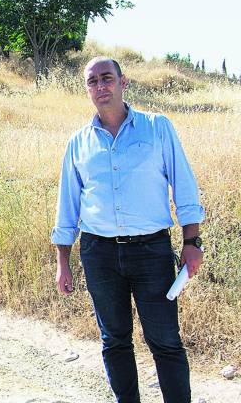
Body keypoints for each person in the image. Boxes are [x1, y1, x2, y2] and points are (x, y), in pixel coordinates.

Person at [51, 56, 204, 403]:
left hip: (151, 252)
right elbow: (68, 206)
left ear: (123, 82)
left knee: (165, 340)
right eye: (93, 81)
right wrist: (63, 260)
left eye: (107, 78)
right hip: (99, 253)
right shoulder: (79, 143)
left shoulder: (157, 128)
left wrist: (191, 241)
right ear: (87, 89)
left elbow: (184, 187)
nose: (100, 87)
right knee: (114, 340)